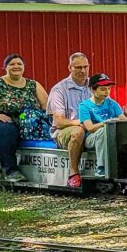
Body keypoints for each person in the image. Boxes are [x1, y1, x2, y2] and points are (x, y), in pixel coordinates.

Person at [0, 54, 49, 182]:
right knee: (4, 130)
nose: (16, 66)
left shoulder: (33, 85)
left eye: (19, 64)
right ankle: (11, 171)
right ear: (5, 67)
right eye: (12, 64)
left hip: (28, 126)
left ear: (24, 67)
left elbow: (47, 106)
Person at [47, 52, 92, 188]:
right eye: (78, 67)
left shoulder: (94, 86)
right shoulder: (59, 90)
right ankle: (73, 173)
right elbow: (59, 122)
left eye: (85, 67)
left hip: (91, 127)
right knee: (78, 132)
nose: (83, 71)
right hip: (64, 131)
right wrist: (80, 122)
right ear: (70, 67)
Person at [77, 73, 127, 177]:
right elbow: (90, 128)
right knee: (103, 131)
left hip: (111, 135)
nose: (107, 92)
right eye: (103, 89)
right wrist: (108, 122)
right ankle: (101, 168)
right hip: (92, 138)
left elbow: (123, 120)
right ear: (93, 89)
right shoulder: (84, 106)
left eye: (108, 89)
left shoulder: (112, 103)